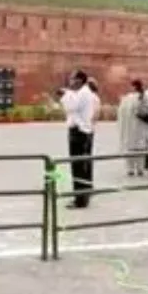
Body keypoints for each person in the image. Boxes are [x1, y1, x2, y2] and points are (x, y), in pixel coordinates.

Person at [60, 70, 98, 208]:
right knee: (81, 166)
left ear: (79, 80)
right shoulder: (81, 93)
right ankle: (83, 195)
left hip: (79, 132)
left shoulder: (83, 93)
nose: (70, 82)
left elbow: (71, 107)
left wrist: (66, 93)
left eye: (72, 79)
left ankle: (80, 199)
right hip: (80, 132)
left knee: (78, 167)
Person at [117, 79, 148, 176]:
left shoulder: (129, 98)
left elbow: (121, 112)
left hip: (132, 128)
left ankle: (131, 169)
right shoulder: (141, 97)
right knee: (139, 149)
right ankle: (139, 169)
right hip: (138, 128)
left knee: (133, 149)